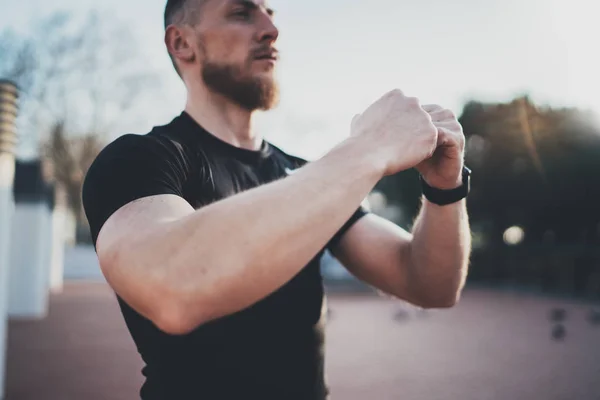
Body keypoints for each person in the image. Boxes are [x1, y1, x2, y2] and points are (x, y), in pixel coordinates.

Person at [81, 0, 472, 398]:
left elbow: (429, 285)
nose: (271, 28)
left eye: (271, 13)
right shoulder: (139, 160)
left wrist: (446, 187)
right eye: (242, 12)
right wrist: (368, 148)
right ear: (182, 42)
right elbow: (172, 288)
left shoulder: (305, 176)